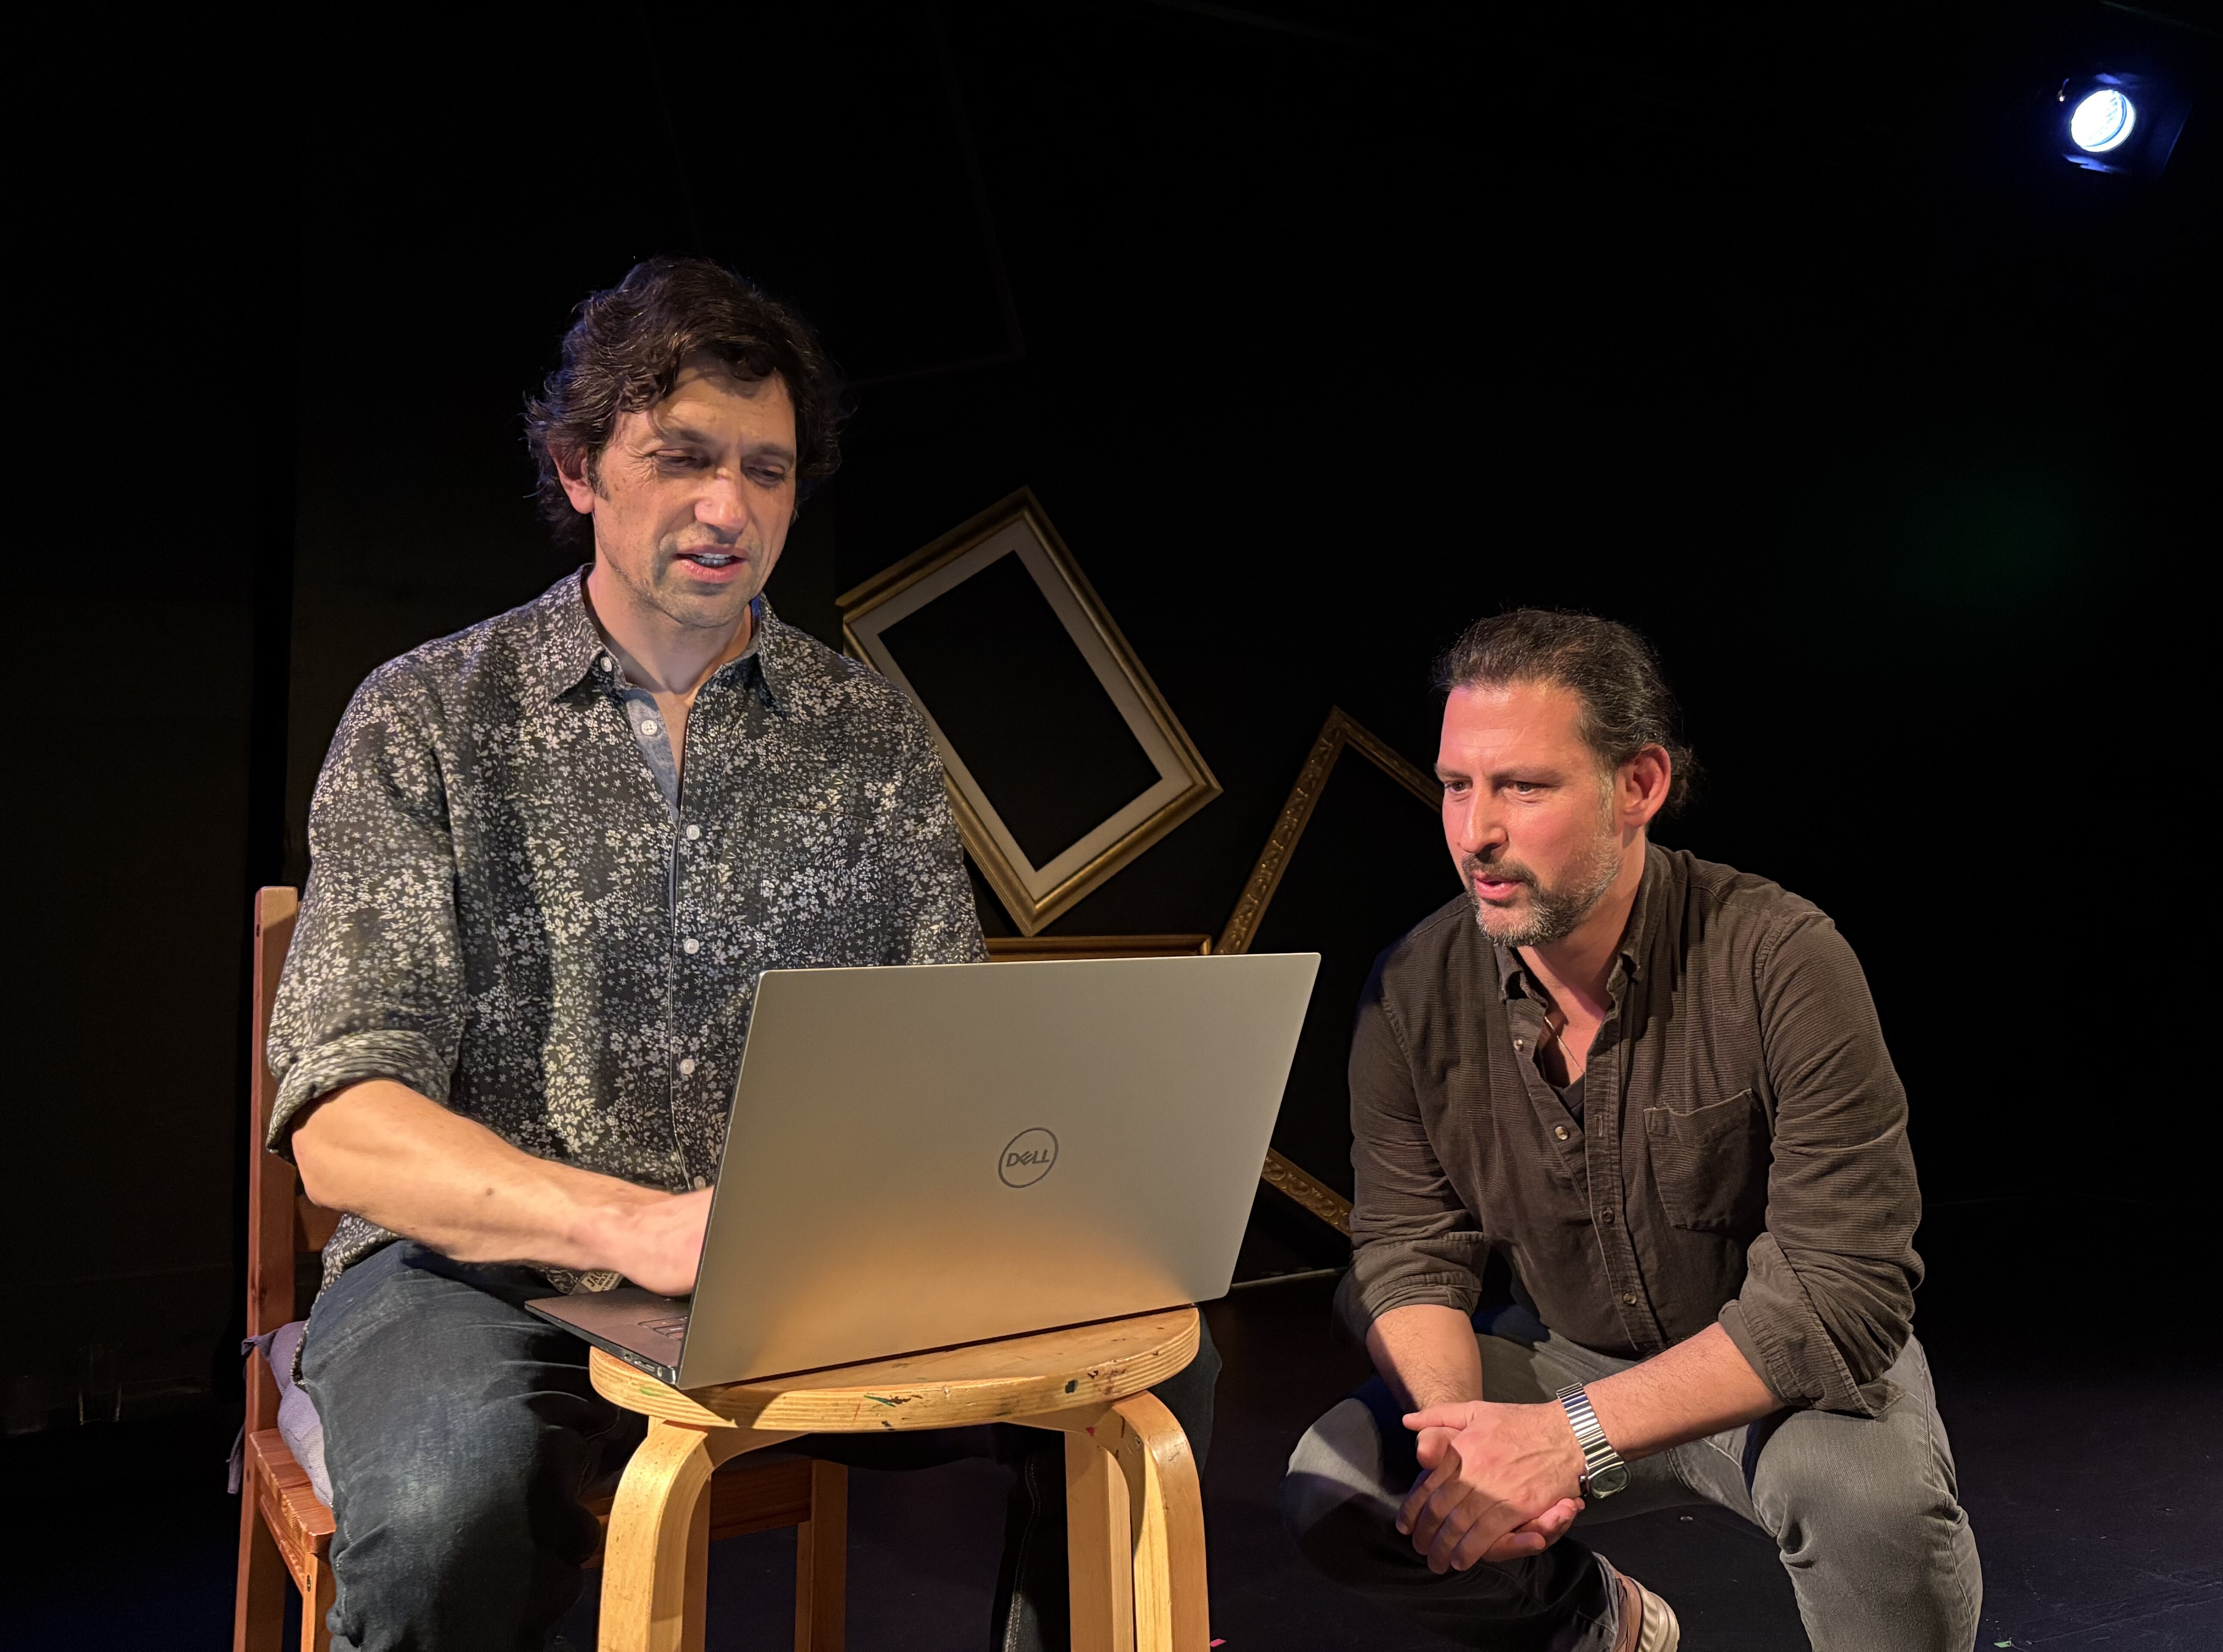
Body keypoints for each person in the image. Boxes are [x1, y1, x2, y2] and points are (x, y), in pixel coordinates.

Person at [266, 256, 1215, 1652]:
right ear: (579, 468)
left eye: (765, 471)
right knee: (448, 1503)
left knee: (1148, 1372)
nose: (728, 507)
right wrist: (627, 1227)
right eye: (682, 458)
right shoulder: (429, 717)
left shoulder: (866, 733)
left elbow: (947, 1058)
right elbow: (342, 1129)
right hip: (476, 1279)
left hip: (795, 1274)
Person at [1280, 611, 1980, 1652]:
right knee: (1338, 1483)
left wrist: (1567, 1439)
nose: (1475, 832)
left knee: (1865, 1499)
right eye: (1457, 786)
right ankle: (1599, 1625)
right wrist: (1459, 1440)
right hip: (1562, 1359)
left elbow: (1839, 1290)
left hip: (1767, 1378)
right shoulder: (1412, 988)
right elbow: (1409, 1247)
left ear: (1639, 786)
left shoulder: (1780, 958)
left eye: (1523, 787)